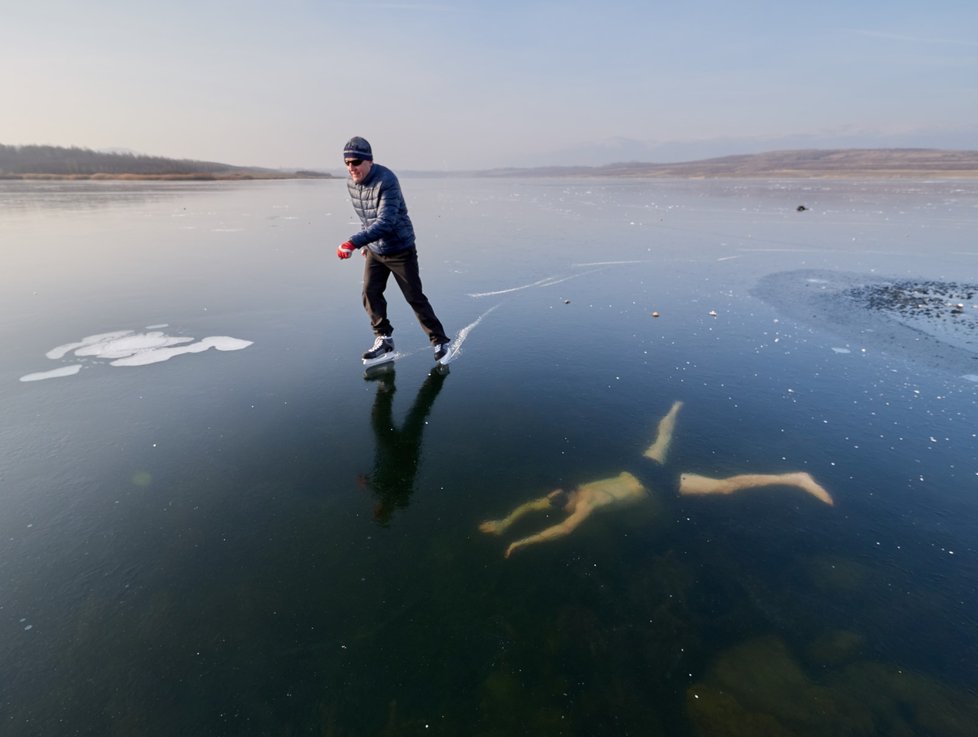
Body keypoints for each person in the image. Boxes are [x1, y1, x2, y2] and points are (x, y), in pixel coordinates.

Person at [478, 401, 834, 558]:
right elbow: (531, 504)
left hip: (656, 484)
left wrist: (523, 542)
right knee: (660, 440)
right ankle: (674, 410)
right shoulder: (569, 492)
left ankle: (795, 478)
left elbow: (565, 530)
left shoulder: (587, 502)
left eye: (561, 502)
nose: (557, 505)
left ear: (572, 495)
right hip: (637, 469)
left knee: (726, 487)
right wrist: (504, 520)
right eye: (557, 501)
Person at [336, 136, 452, 363]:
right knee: (370, 293)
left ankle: (440, 341)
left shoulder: (386, 181)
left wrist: (353, 242)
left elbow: (385, 221)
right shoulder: (352, 184)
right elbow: (365, 215)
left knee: (414, 297)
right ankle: (384, 340)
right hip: (375, 250)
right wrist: (366, 243)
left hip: (399, 249)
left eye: (356, 162)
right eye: (347, 163)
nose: (352, 167)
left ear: (369, 160)